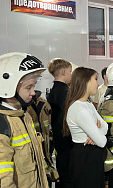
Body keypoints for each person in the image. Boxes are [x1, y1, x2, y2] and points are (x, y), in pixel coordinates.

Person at [0, 52, 48, 187]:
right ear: (8, 87)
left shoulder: (24, 116)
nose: (33, 92)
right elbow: (3, 180)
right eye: (28, 87)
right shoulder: (2, 124)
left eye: (34, 86)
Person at [63, 67, 108, 188]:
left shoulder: (88, 104)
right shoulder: (79, 109)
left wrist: (96, 133)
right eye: (95, 79)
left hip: (92, 155)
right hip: (85, 158)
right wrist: (97, 134)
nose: (98, 83)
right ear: (85, 81)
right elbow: (102, 141)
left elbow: (105, 125)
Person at [47, 58, 73, 188]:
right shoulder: (64, 92)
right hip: (66, 140)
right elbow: (68, 118)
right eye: (70, 71)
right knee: (68, 176)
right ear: (63, 72)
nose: (71, 74)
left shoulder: (54, 90)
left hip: (58, 138)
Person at [27, 90, 59, 184]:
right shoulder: (21, 110)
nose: (32, 92)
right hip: (32, 156)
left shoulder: (44, 104)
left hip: (46, 148)